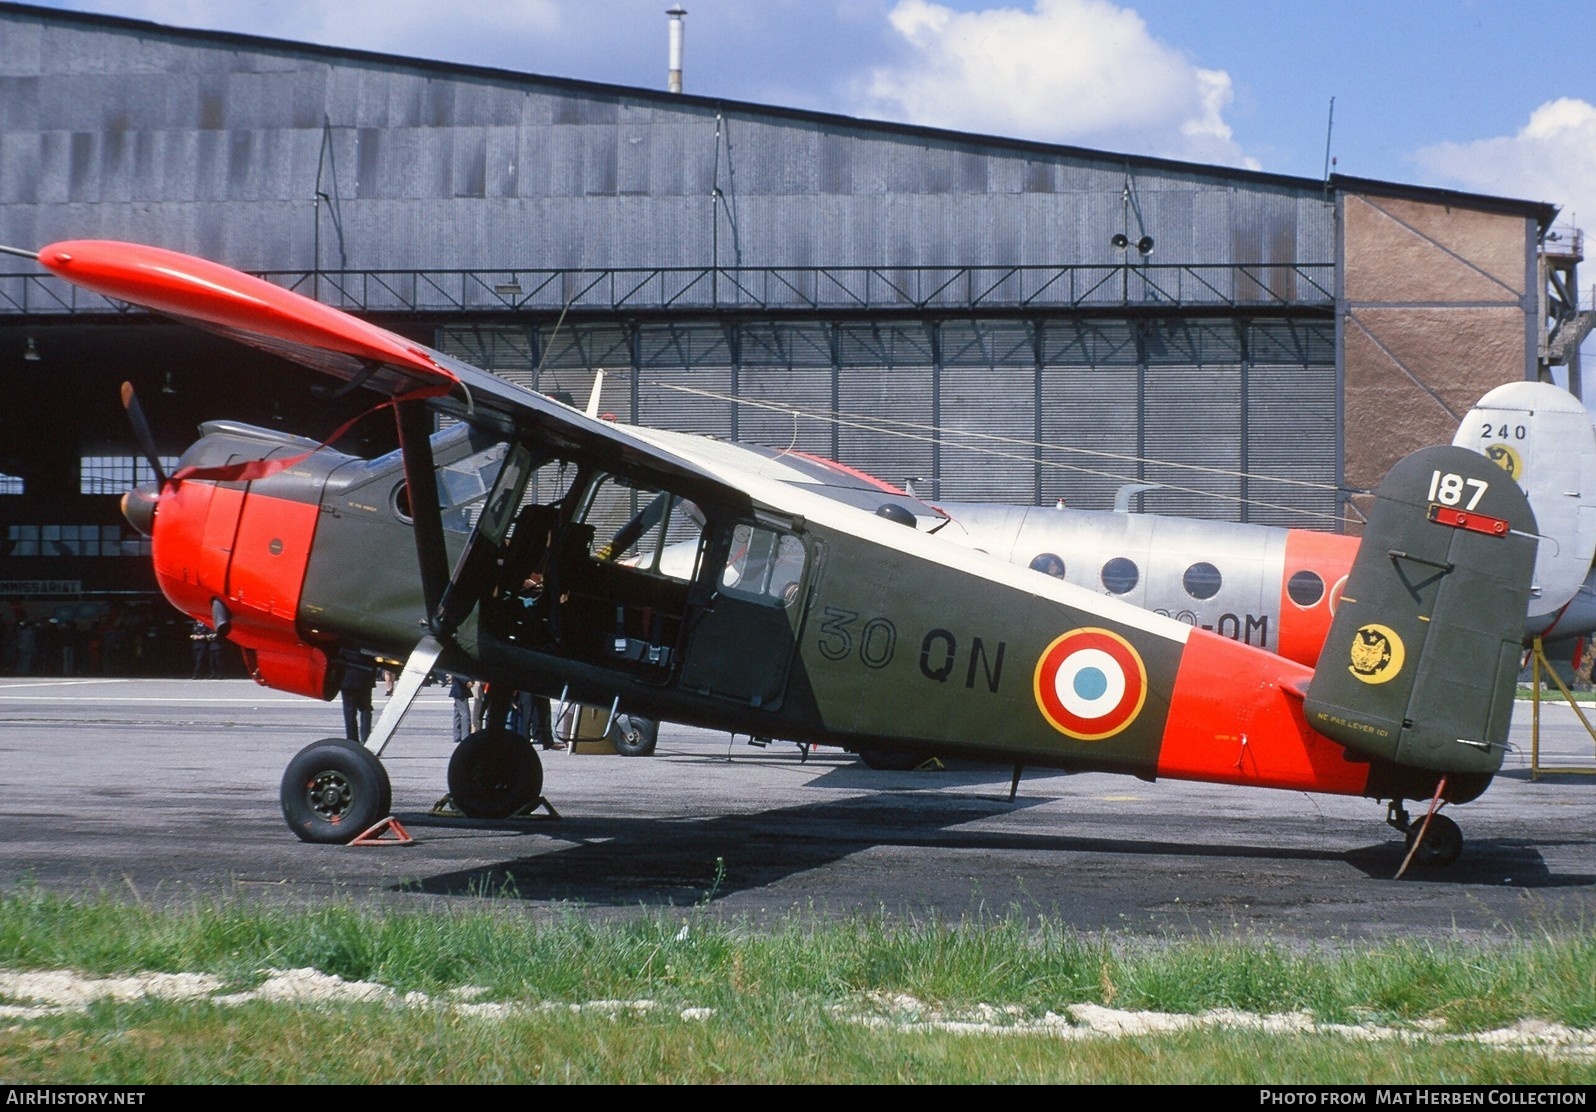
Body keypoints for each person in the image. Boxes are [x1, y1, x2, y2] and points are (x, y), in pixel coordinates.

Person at [340, 659, 376, 742]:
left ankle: (352, 740)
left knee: (349, 711)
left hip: (348, 677)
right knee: (365, 708)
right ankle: (366, 738)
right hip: (365, 676)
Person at [448, 674, 474, 742]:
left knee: (458, 714)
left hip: (458, 689)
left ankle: (457, 736)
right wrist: (467, 681)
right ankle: (465, 736)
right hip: (460, 690)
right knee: (465, 715)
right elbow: (459, 673)